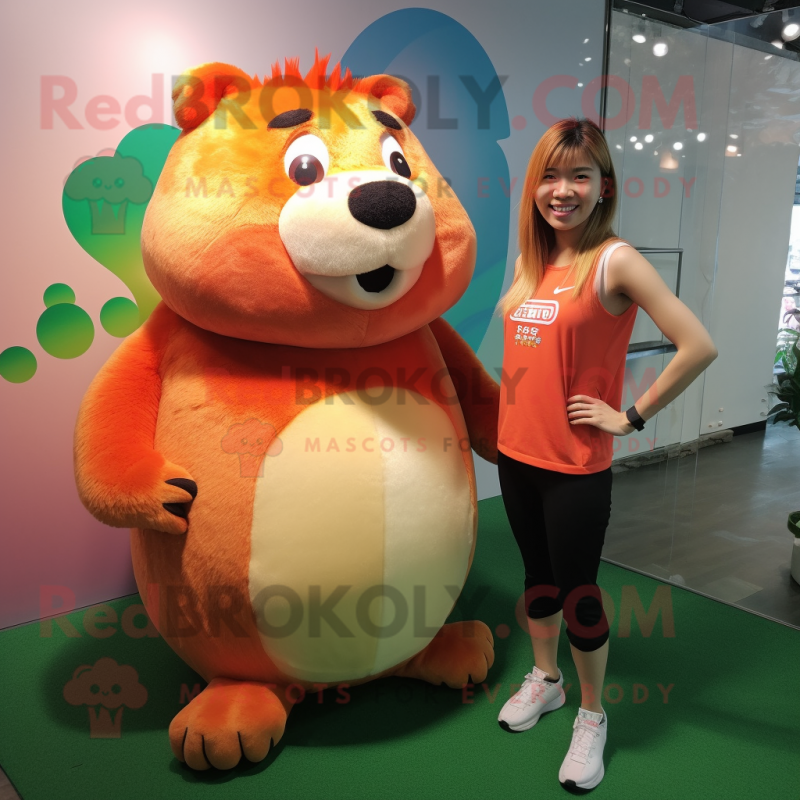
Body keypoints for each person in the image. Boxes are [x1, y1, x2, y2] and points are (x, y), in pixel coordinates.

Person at [493, 117, 718, 791]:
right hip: (516, 455)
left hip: (575, 467)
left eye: (579, 175)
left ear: (604, 185)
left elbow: (697, 343)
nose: (562, 190)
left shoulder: (615, 260)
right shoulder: (531, 260)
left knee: (579, 593)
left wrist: (632, 415)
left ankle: (592, 716)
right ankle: (546, 679)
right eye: (551, 176)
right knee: (535, 579)